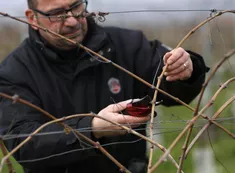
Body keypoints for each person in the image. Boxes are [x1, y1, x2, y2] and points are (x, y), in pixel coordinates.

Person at [0, 0, 208, 173]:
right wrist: (92, 129)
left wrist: (188, 68)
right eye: (57, 14)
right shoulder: (14, 72)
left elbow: (170, 88)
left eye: (76, 6)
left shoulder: (127, 45)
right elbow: (22, 144)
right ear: (32, 18)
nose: (72, 21)